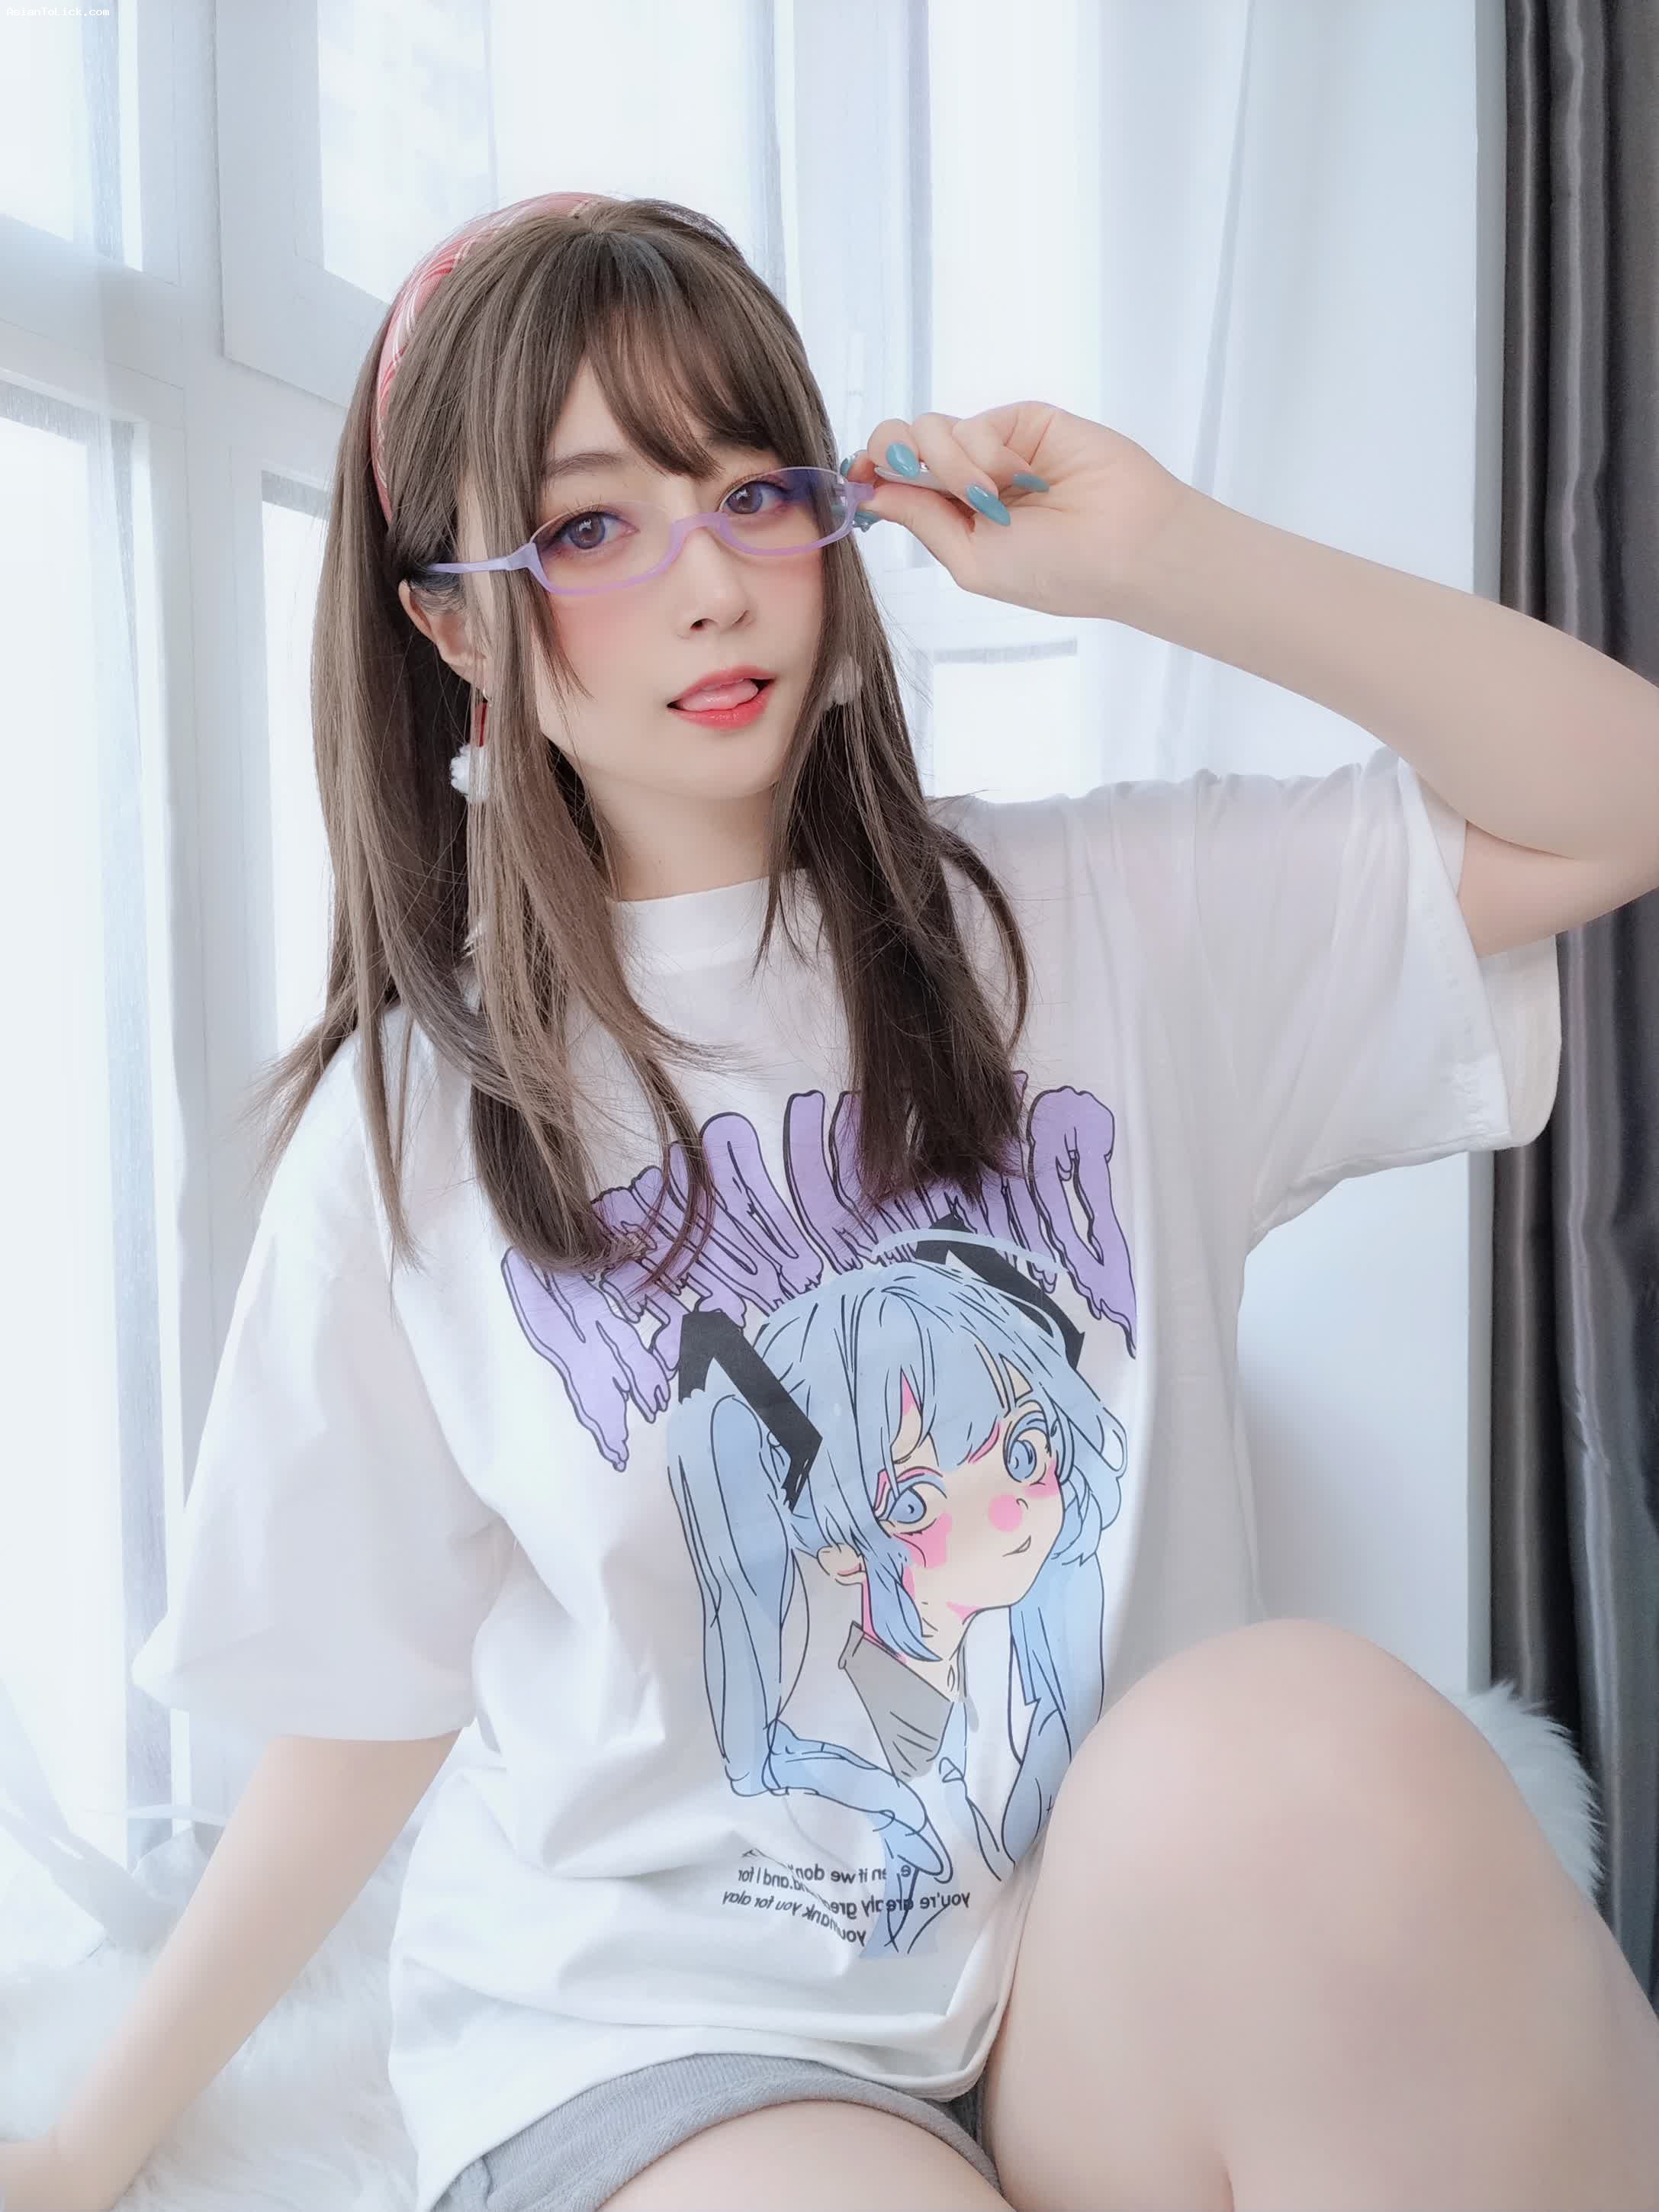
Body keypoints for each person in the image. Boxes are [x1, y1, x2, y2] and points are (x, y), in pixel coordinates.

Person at [8, 189, 1659, 2212]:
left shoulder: (1102, 922)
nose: (711, 586)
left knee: (1314, 1734)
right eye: (593, 529)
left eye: (751, 492)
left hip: (1090, 1988)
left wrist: (1158, 557)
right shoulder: (417, 1131)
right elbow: (365, 1709)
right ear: (453, 624)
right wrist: (84, 2143)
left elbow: (1620, 796)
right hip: (673, 2044)